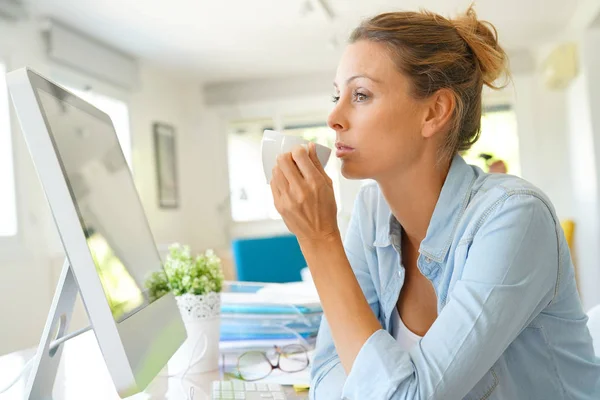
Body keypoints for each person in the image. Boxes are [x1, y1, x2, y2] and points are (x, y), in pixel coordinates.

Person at [269, 6, 600, 400]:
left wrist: (319, 240)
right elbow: (326, 374)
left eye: (360, 94)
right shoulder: (372, 212)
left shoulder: (515, 217)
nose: (334, 117)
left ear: (434, 111)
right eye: (337, 95)